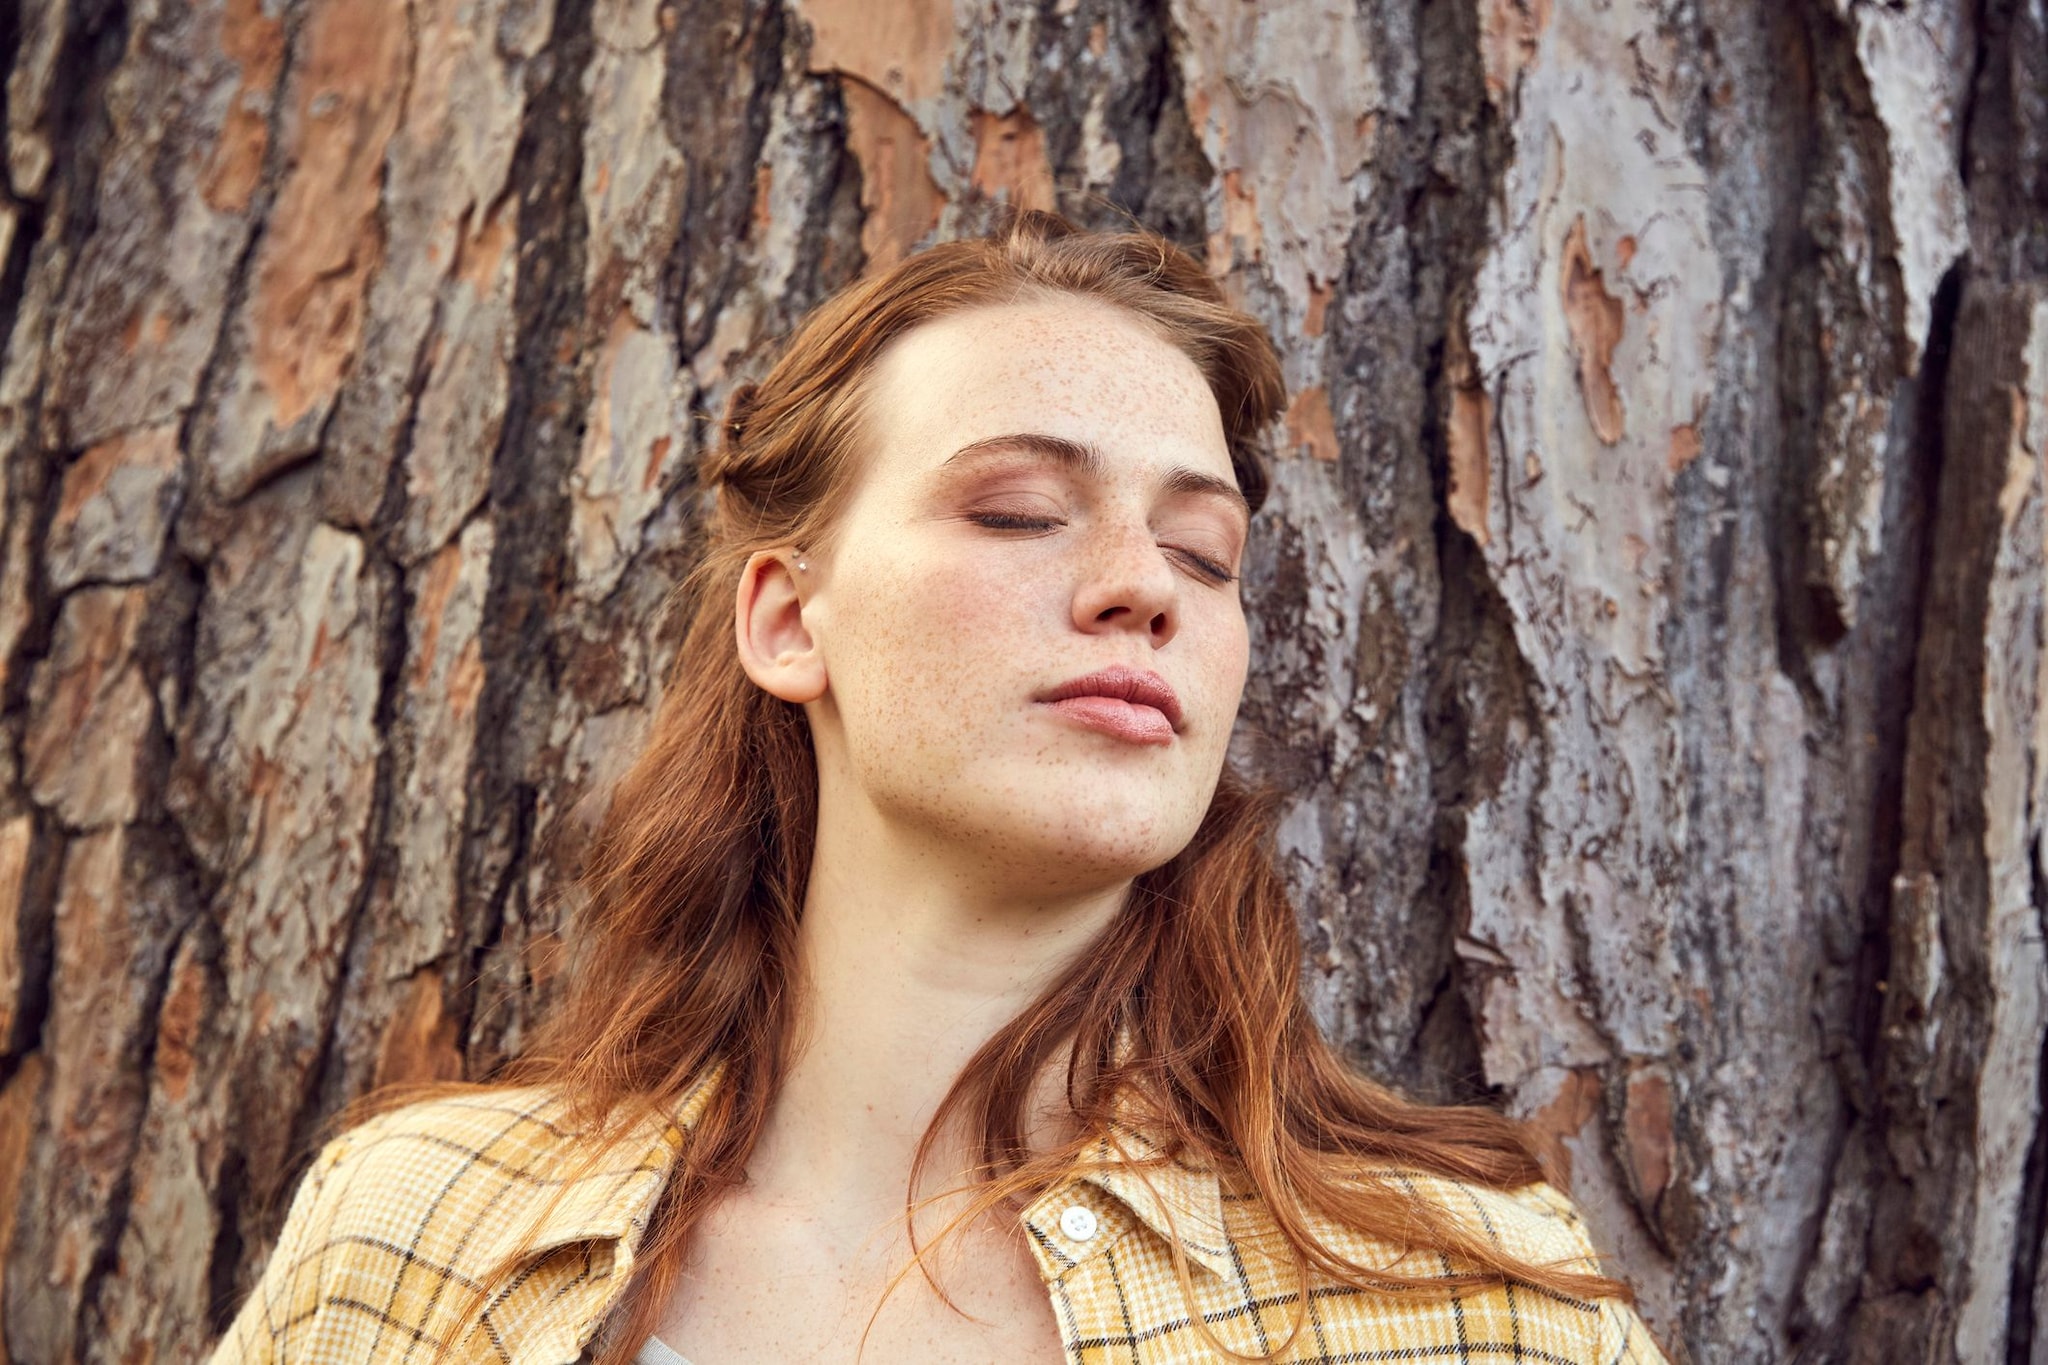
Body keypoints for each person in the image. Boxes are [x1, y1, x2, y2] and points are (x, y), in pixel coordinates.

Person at [207, 209, 1669, 1365]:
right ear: (789, 618)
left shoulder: (1475, 1305)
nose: (1139, 588)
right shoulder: (410, 1234)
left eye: (1203, 552)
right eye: (1022, 511)